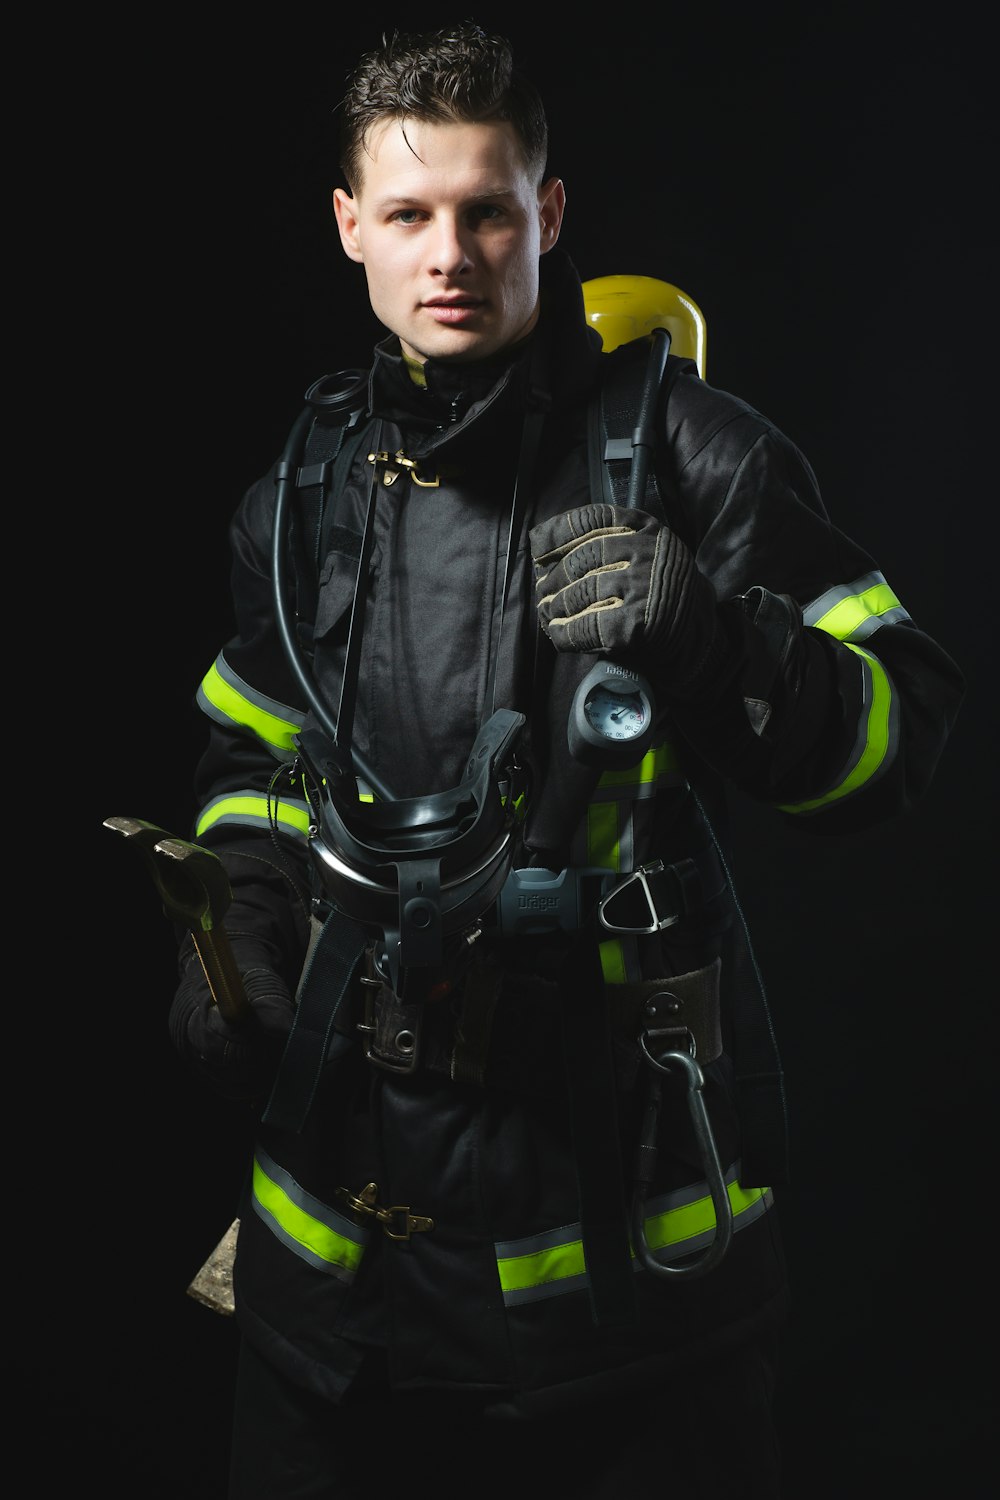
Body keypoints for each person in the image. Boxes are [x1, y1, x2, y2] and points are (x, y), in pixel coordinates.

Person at [166, 21, 964, 1498]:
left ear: (548, 210)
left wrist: (715, 640)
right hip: (334, 1317)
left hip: (626, 1312)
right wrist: (243, 909)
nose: (449, 252)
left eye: (485, 207)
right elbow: (252, 752)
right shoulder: (305, 493)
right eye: (407, 215)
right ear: (351, 230)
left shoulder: (696, 455)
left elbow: (898, 738)